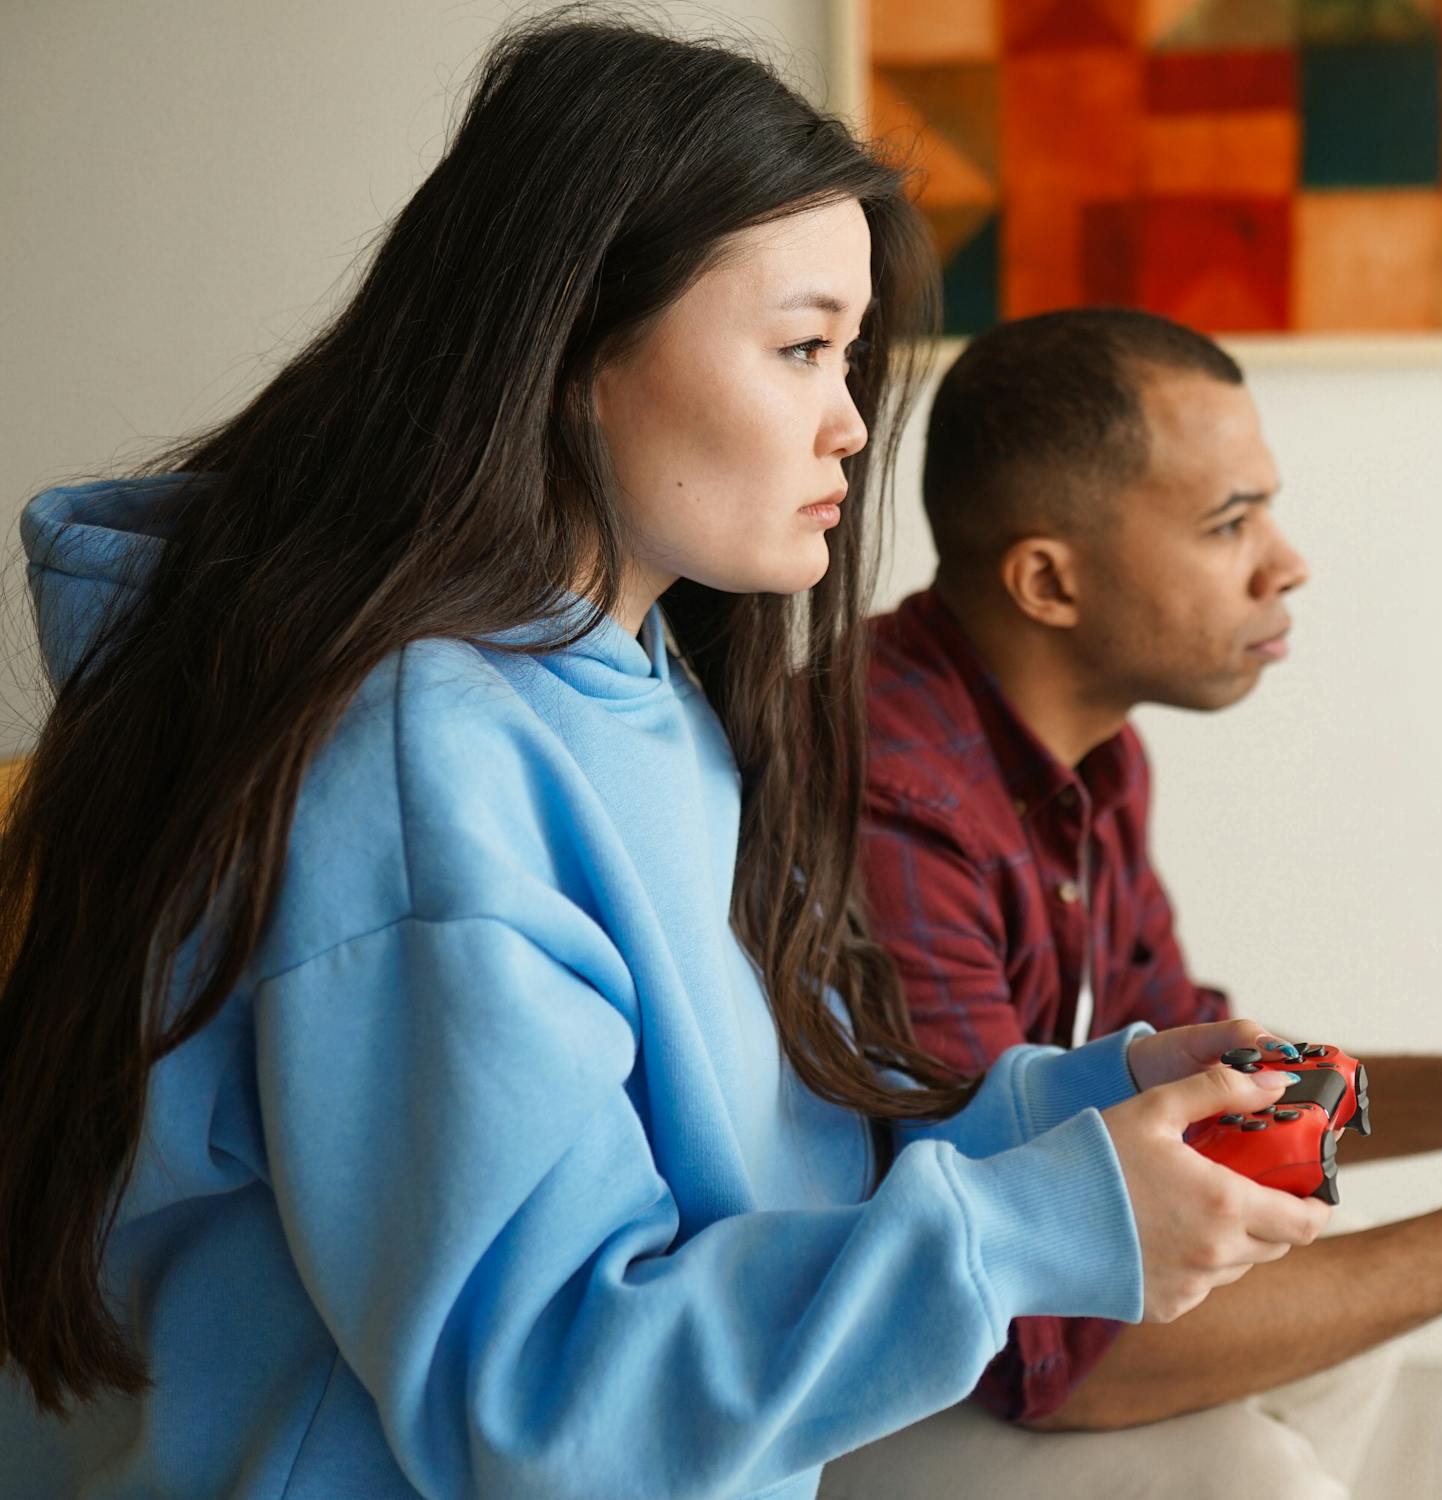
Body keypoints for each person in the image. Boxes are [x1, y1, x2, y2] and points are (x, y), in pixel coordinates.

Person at [0, 23, 1330, 1498]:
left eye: (854, 353)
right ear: (575, 351)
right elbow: (545, 1404)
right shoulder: (419, 770)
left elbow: (763, 1155)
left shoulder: (636, 687)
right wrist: (1033, 1227)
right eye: (802, 347)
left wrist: (1082, 1104)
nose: (851, 421)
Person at [821, 309, 1442, 1498]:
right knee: (1255, 1470)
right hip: (832, 1372)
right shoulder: (895, 803)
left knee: (1348, 1329)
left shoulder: (1086, 760)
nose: (1288, 561)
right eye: (1230, 524)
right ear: (1049, 581)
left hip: (990, 1324)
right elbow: (1048, 1348)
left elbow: (1209, 1095)